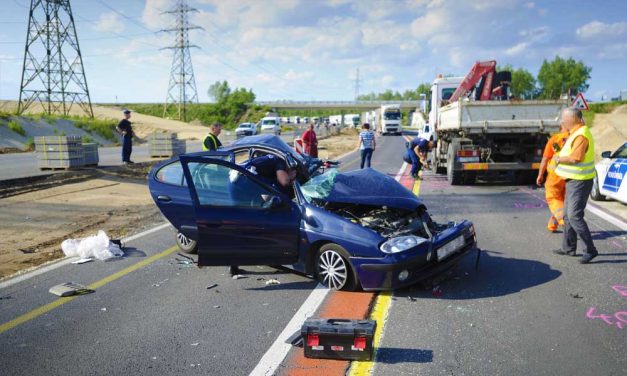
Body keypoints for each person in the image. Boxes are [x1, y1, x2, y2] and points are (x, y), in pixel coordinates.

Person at [552, 108, 598, 264]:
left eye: (564, 119)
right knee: (567, 215)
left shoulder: (581, 134)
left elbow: (576, 158)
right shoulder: (575, 132)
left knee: (574, 216)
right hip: (573, 180)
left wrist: (558, 159)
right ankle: (568, 248)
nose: (562, 122)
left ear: (573, 119)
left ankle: (590, 250)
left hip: (580, 181)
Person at [536, 125, 569, 232]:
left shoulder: (555, 139)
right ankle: (552, 225)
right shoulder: (574, 137)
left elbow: (545, 159)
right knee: (562, 201)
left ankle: (564, 221)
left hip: (556, 174)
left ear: (561, 127)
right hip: (571, 174)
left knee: (553, 198)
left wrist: (540, 175)